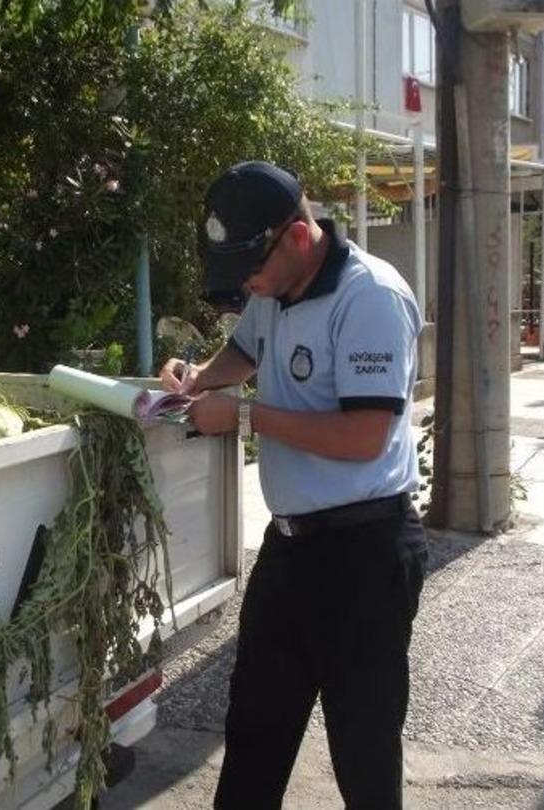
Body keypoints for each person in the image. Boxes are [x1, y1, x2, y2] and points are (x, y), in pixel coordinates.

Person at [159, 161, 428, 810]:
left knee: (363, 752)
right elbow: (244, 355)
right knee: (253, 731)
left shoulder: (372, 299)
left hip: (365, 553)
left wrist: (243, 416)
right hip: (289, 552)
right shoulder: (272, 291)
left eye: (250, 271)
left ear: (299, 239)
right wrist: (197, 380)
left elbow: (365, 434)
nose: (245, 286)